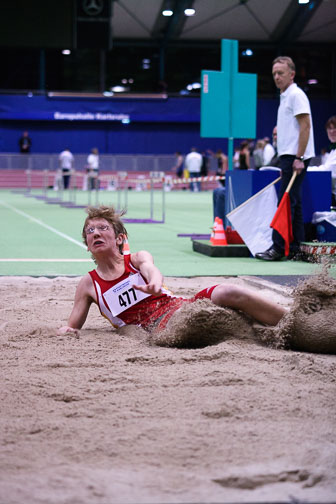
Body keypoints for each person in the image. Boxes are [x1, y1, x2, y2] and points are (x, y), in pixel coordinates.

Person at [58, 206, 287, 337]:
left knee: (227, 291)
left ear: (119, 239)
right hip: (153, 329)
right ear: (87, 245)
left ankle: (290, 321)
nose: (95, 233)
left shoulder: (137, 259)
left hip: (180, 307)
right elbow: (72, 326)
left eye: (102, 228)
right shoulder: (88, 284)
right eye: (90, 231)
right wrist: (66, 332)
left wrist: (154, 284)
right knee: (195, 325)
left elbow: (153, 271)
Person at [256, 56, 315, 261]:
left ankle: (278, 248)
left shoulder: (296, 95)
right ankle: (298, 249)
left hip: (295, 156)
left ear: (292, 74)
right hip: (288, 156)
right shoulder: (286, 96)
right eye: (274, 74)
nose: (276, 77)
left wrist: (299, 157)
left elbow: (305, 126)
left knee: (285, 202)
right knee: (294, 203)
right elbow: (296, 126)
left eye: (280, 73)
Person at [307, 115, 336, 207]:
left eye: (335, 128)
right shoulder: (333, 151)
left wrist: (304, 170)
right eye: (329, 128)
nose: (332, 131)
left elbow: (327, 171)